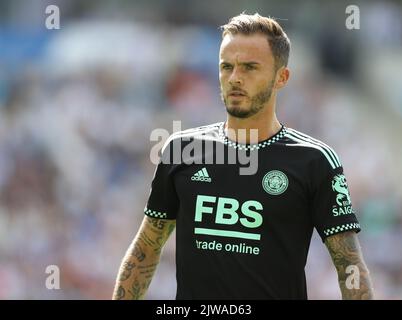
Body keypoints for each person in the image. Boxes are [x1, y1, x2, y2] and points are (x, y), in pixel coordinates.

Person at [113, 13, 374, 300]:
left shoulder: (315, 161)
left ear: (281, 77)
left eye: (250, 67)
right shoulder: (181, 150)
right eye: (227, 67)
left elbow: (348, 263)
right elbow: (146, 248)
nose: (235, 78)